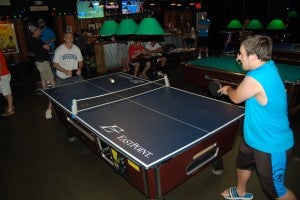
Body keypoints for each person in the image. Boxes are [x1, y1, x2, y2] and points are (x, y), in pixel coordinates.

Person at [218, 35, 297, 200]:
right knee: (242, 164)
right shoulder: (269, 66)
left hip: (270, 145)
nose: (237, 57)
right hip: (252, 137)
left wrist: (227, 89)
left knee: (275, 191)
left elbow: (236, 97)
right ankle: (240, 192)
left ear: (253, 56)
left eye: (241, 53)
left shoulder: (255, 77)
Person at [52, 32, 84, 141]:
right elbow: (55, 64)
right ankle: (66, 124)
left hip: (75, 76)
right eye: (68, 37)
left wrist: (80, 69)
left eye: (72, 37)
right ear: (64, 38)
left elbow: (80, 61)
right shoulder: (59, 50)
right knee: (62, 101)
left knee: (83, 93)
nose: (70, 39)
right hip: (62, 78)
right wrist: (65, 71)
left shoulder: (76, 49)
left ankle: (82, 117)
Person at [29, 25, 56, 119]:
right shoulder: (37, 40)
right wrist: (48, 45)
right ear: (35, 31)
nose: (40, 31)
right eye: (39, 30)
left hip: (39, 62)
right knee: (50, 77)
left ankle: (46, 92)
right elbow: (47, 48)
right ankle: (54, 91)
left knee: (43, 77)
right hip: (43, 62)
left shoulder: (32, 40)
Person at [0, 49, 14, 117]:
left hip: (3, 75)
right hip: (3, 75)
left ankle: (10, 109)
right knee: (4, 92)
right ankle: (10, 105)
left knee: (7, 92)